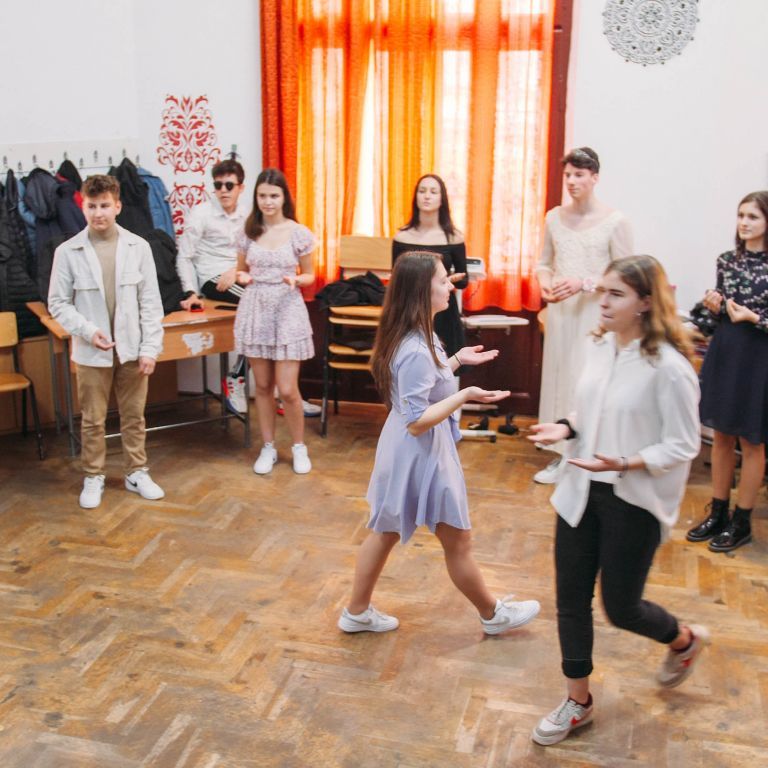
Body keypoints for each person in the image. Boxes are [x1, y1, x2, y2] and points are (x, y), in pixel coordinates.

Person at [527, 255, 707, 747]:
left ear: (645, 302)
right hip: (580, 489)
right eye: (602, 291)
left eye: (615, 294)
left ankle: (684, 640)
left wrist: (626, 462)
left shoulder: (669, 368)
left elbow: (684, 444)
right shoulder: (600, 346)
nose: (601, 302)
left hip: (633, 499)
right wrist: (565, 428)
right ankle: (578, 701)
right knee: (570, 600)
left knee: (621, 608)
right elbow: (587, 411)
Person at [337, 251, 540, 635]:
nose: (451, 286)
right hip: (420, 453)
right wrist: (465, 395)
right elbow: (417, 421)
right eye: (444, 280)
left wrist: (457, 361)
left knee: (386, 531)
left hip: (410, 450)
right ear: (421, 290)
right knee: (456, 540)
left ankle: (357, 611)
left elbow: (424, 386)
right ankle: (492, 615)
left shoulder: (418, 336)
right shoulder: (415, 347)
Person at [48, 174, 165, 509]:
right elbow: (58, 303)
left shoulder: (138, 247)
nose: (98, 213)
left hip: (132, 349)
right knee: (92, 419)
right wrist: (88, 331)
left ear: (118, 206)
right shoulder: (68, 252)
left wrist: (150, 348)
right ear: (83, 207)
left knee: (134, 416)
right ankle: (94, 474)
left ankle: (136, 471)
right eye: (92, 206)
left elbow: (151, 303)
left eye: (104, 205)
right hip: (91, 351)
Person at [534, 147, 633, 484]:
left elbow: (626, 273)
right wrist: (545, 284)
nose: (572, 182)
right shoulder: (553, 218)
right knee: (560, 376)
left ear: (595, 178)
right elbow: (544, 263)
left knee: (586, 379)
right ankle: (560, 453)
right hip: (561, 312)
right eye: (568, 175)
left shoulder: (615, 221)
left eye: (579, 175)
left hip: (596, 313)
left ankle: (588, 455)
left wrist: (584, 283)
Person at [687, 190, 768, 552]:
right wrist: (711, 305)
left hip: (759, 356)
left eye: (753, 216)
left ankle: (742, 521)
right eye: (741, 215)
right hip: (726, 350)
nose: (744, 223)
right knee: (720, 435)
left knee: (752, 440)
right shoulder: (726, 261)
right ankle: (718, 512)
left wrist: (755, 318)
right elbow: (711, 319)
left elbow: (755, 316)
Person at [234, 168, 316, 475]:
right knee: (263, 386)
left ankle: (298, 446)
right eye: (262, 196)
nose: (267, 201)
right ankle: (267, 446)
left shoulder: (298, 232)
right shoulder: (248, 231)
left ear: (284, 198)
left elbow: (310, 275)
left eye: (273, 195)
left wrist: (296, 280)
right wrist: (241, 277)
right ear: (256, 197)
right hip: (255, 308)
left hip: (287, 310)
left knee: (288, 389)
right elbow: (241, 271)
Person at [392, 174, 468, 357]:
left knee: (445, 363)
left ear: (442, 199)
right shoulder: (402, 237)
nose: (427, 196)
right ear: (415, 197)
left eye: (433, 192)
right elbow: (397, 278)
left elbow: (463, 281)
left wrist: (448, 281)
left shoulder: (454, 238)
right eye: (422, 191)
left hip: (442, 309)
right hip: (409, 310)